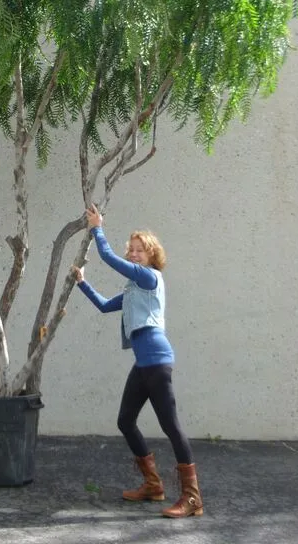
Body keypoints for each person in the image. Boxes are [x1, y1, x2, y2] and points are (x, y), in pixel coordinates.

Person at [71, 203, 203, 518]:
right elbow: (104, 306)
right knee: (125, 421)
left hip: (157, 360)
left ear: (151, 255)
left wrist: (96, 227)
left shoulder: (149, 278)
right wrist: (81, 282)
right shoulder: (133, 290)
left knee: (170, 426)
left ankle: (193, 498)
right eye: (130, 250)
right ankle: (153, 485)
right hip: (143, 364)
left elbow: (107, 257)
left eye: (139, 250)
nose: (132, 254)